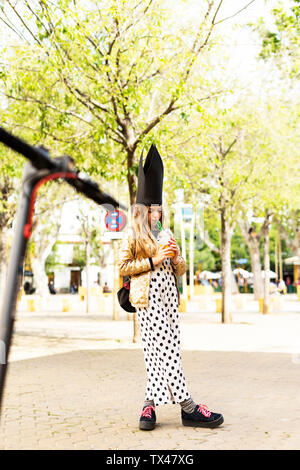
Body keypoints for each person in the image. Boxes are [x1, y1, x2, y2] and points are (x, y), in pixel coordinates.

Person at [118, 144, 223, 431]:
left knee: (164, 349)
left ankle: (149, 405)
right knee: (164, 349)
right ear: (142, 210)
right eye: (152, 209)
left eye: (159, 209)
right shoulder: (132, 235)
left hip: (168, 300)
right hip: (147, 299)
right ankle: (188, 406)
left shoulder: (166, 232)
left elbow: (180, 269)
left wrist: (177, 258)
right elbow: (123, 267)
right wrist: (154, 259)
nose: (157, 213)